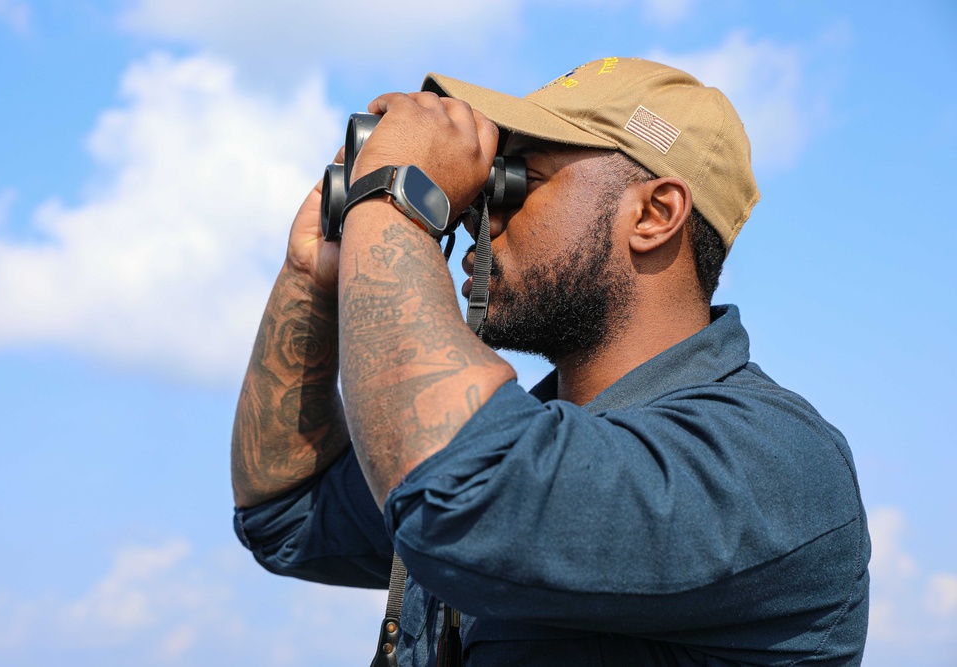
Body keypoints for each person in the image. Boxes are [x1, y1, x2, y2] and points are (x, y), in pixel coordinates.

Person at [230, 57, 870, 666]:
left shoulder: (768, 465)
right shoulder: (519, 432)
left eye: (517, 180)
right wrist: (312, 276)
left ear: (654, 214)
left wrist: (398, 197)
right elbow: (288, 513)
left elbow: (463, 492)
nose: (479, 208)